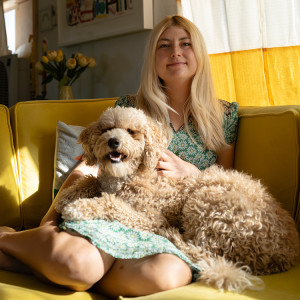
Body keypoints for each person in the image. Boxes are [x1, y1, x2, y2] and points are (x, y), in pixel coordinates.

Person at [0, 15, 238, 298]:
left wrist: (192, 173)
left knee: (169, 274)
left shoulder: (224, 115)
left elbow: (228, 184)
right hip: (114, 212)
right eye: (164, 45)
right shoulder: (128, 107)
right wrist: (50, 219)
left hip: (169, 232)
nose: (175, 52)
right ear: (152, 57)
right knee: (78, 265)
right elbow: (90, 167)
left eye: (185, 44)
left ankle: (58, 267)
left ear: (199, 52)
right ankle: (15, 242)